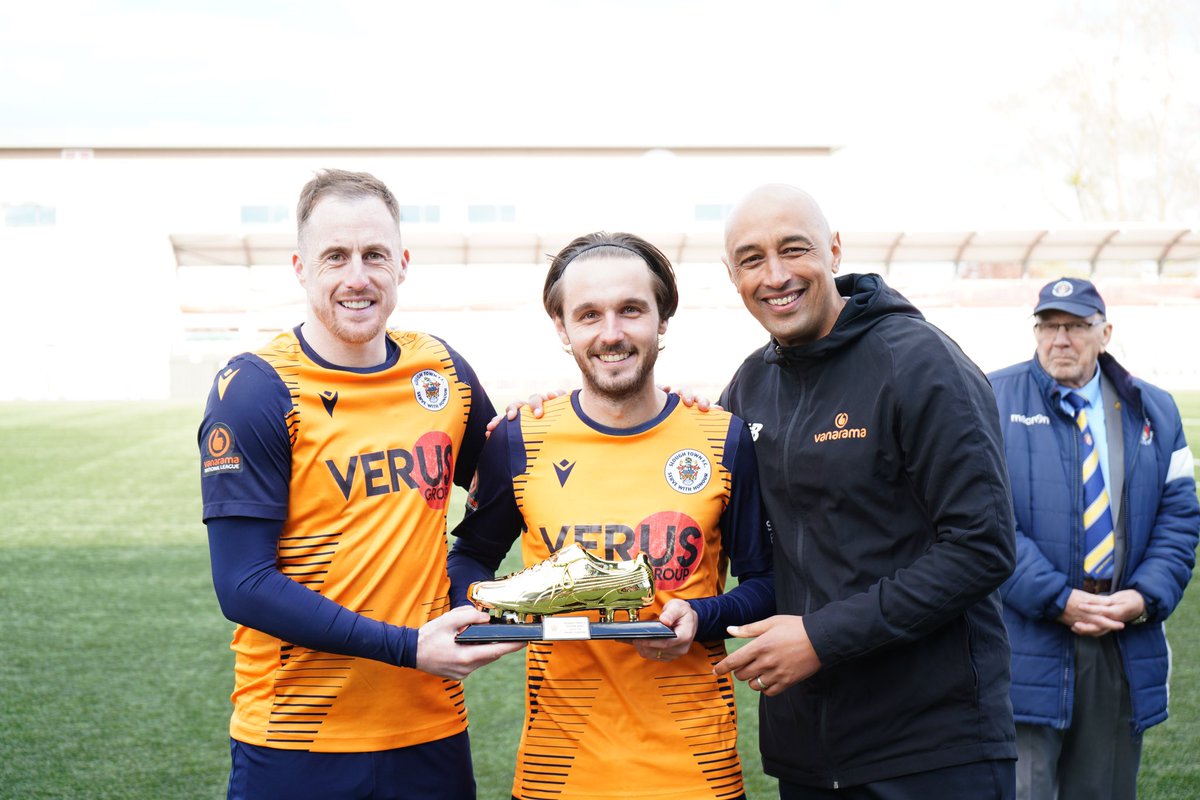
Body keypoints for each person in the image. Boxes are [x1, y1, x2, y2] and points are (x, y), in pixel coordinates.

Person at [198, 168, 522, 800]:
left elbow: (510, 476)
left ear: (401, 263)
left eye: (374, 255)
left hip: (430, 725)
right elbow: (242, 585)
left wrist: (466, 565)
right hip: (297, 739)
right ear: (300, 267)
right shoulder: (259, 388)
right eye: (335, 257)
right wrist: (407, 647)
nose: (357, 277)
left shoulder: (440, 369)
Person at [710, 183, 1018, 799]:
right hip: (806, 751)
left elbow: (981, 548)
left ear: (834, 251)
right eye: (751, 259)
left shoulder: (920, 361)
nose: (775, 276)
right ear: (732, 275)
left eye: (793, 250)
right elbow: (707, 514)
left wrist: (821, 638)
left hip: (930, 751)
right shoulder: (748, 385)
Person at [447, 231, 775, 800]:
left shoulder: (721, 437)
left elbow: (767, 584)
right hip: (559, 769)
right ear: (562, 328)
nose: (612, 333)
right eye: (589, 315)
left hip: (695, 771)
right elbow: (470, 556)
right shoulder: (521, 437)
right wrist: (484, 611)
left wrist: (701, 615)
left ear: (662, 320)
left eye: (631, 310)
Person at [988, 277, 1199, 800]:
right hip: (1027, 638)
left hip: (1119, 635)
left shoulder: (1155, 408)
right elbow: (983, 521)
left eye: (1076, 326)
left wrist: (1143, 596)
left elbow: (1180, 515)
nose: (1061, 338)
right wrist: (1056, 599)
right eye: (1048, 325)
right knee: (1024, 789)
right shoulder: (992, 396)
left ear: (1105, 332)